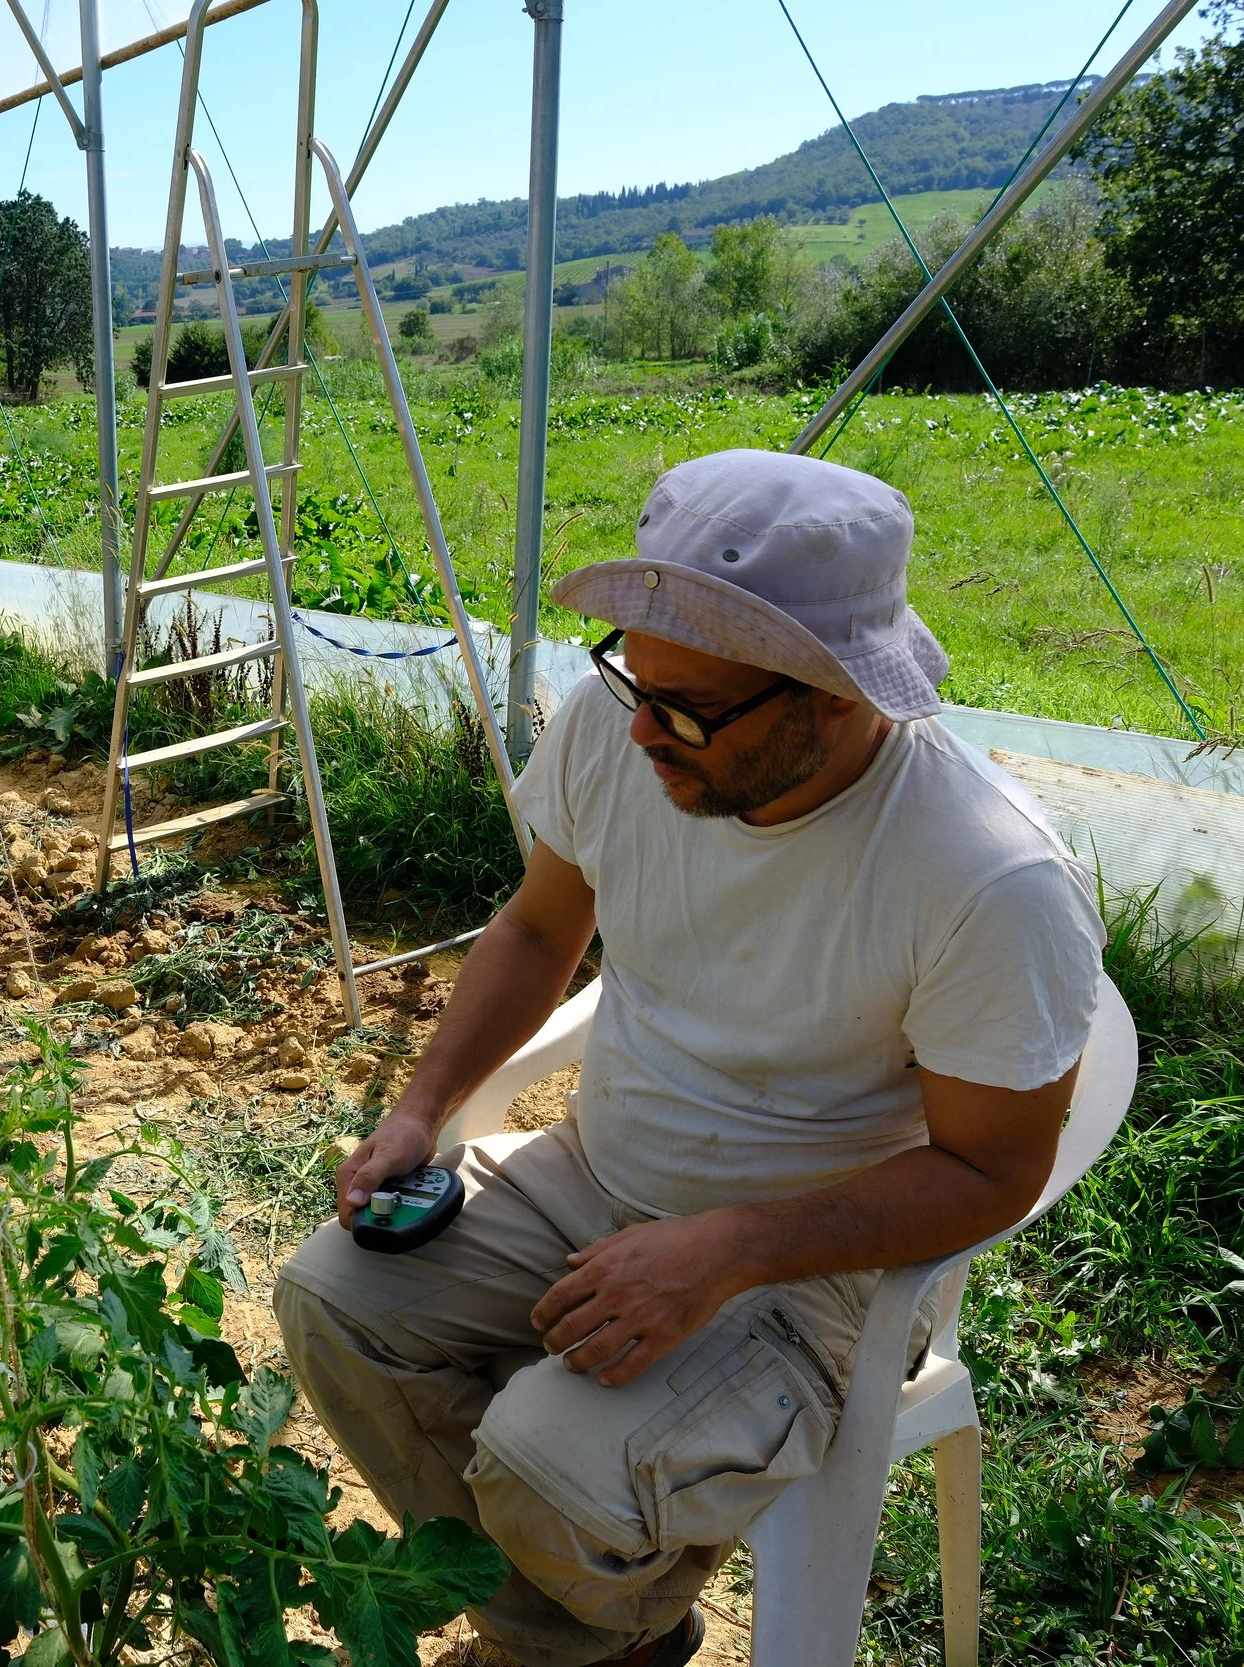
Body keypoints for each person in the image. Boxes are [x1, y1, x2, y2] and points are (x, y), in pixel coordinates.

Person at [274, 450, 1102, 1667]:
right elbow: (537, 926)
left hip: (819, 1269)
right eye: (632, 680)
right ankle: (608, 1636)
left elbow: (992, 1170)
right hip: (594, 1171)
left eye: (693, 707)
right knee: (334, 1304)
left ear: (833, 694)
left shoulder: (984, 876)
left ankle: (579, 1614)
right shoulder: (633, 732)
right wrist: (421, 1107)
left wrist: (728, 1247)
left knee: (543, 1464)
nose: (646, 731)